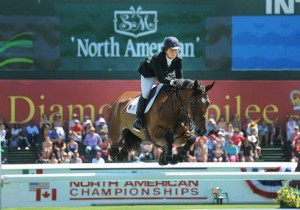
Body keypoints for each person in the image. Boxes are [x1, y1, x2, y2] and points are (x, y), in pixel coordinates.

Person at [133, 36, 184, 131]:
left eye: (176, 50)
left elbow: (179, 76)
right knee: (146, 94)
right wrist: (173, 81)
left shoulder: (178, 58)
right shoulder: (157, 58)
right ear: (165, 50)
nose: (174, 52)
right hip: (149, 73)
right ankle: (139, 119)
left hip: (164, 73)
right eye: (172, 50)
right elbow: (161, 79)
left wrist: (181, 84)